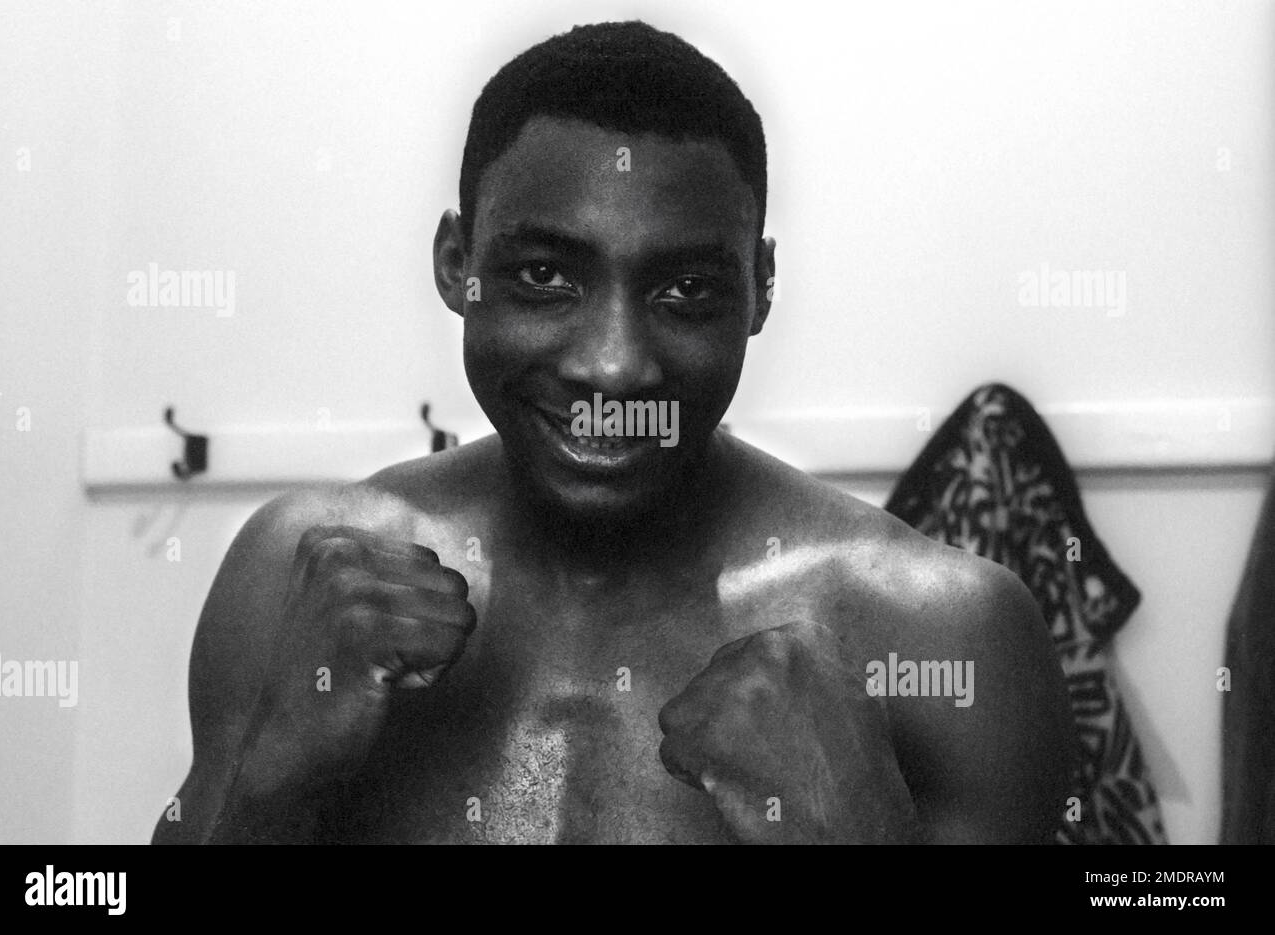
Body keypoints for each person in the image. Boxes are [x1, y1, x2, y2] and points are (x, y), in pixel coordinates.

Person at [152, 20, 1072, 844]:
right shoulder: (293, 575)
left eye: (685, 290)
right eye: (546, 276)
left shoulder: (938, 632)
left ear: (760, 290)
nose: (614, 365)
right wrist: (273, 781)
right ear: (455, 264)